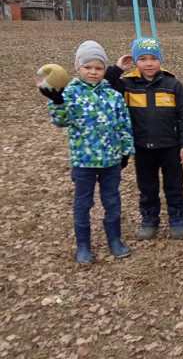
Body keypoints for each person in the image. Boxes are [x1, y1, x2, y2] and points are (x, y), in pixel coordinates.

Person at [39, 41, 134, 263]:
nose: (93, 72)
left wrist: (125, 151)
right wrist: (57, 102)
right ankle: (83, 245)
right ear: (77, 68)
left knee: (112, 201)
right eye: (88, 67)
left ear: (104, 70)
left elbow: (124, 124)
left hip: (111, 161)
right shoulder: (69, 93)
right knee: (83, 203)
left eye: (98, 68)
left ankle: (115, 239)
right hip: (84, 162)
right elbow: (61, 121)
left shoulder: (113, 95)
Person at [106, 37, 183, 240]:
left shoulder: (172, 84)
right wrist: (117, 68)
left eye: (153, 58)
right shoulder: (127, 85)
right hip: (142, 147)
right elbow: (105, 86)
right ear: (136, 62)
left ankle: (177, 218)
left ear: (160, 60)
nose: (149, 63)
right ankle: (149, 219)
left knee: (174, 185)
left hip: (170, 147)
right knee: (147, 187)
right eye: (143, 59)